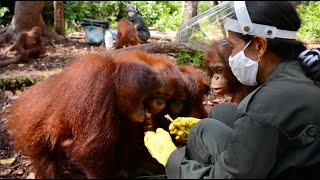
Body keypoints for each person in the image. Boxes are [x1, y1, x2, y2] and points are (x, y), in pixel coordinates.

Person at [144, 1, 320, 178]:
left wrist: (171, 158)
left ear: (259, 45)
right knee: (217, 117)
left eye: (232, 47)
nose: (232, 56)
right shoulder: (302, 70)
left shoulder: (269, 101)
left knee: (202, 134)